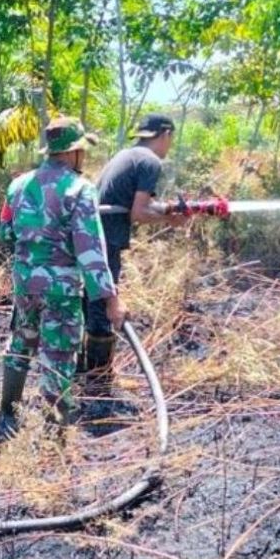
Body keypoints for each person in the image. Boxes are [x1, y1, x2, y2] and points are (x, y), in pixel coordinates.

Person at [0, 117, 125, 444]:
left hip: (26, 284)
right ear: (73, 152)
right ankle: (54, 439)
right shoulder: (80, 190)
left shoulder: (17, 186)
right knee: (58, 355)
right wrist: (110, 300)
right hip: (61, 291)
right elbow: (91, 250)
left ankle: (7, 417)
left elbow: (4, 232)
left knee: (21, 344)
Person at [81, 113, 189, 414]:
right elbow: (139, 212)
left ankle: (81, 376)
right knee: (102, 305)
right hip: (107, 239)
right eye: (171, 138)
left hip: (90, 237)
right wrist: (170, 219)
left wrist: (167, 210)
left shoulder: (127, 154)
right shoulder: (151, 161)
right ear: (165, 134)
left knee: (88, 300)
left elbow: (132, 203)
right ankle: (98, 388)